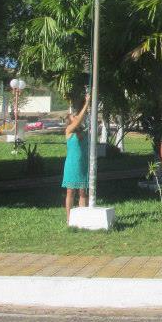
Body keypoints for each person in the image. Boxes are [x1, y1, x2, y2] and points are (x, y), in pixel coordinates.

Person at [62, 92, 91, 223]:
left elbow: (81, 119)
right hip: (72, 164)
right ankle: (69, 218)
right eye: (73, 116)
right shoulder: (68, 130)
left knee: (83, 191)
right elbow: (80, 118)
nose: (76, 117)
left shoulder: (83, 132)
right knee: (70, 191)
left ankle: (82, 217)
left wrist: (87, 104)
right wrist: (87, 103)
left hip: (83, 163)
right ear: (70, 120)